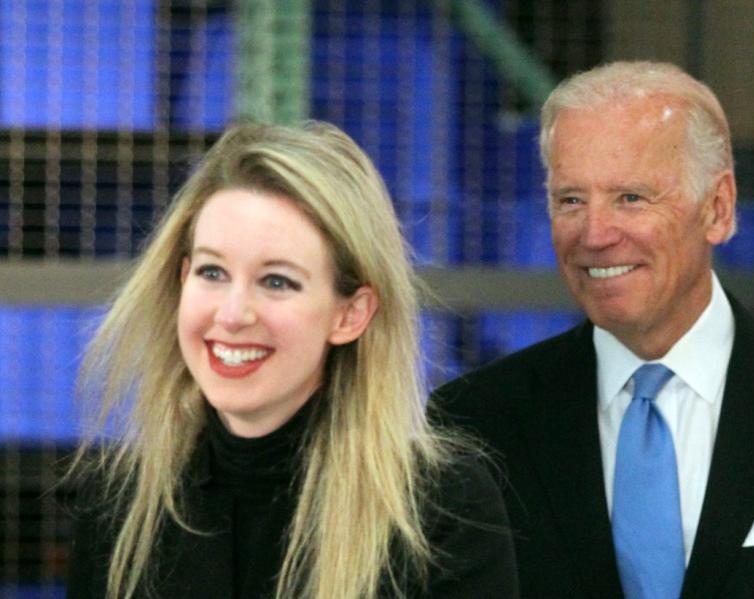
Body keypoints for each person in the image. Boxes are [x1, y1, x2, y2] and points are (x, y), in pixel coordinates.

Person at [434, 61, 754, 598]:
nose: (594, 233)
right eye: (570, 200)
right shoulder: (471, 427)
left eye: (630, 197)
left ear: (719, 209)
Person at [66, 121, 518, 599]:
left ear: (350, 314)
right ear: (182, 279)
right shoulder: (117, 503)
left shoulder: (441, 508)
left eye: (277, 281)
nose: (233, 314)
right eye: (212, 271)